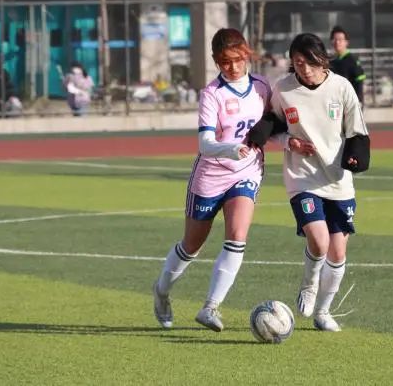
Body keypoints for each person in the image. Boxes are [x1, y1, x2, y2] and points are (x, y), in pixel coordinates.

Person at [152, 28, 271, 332]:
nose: (232, 67)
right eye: (225, 62)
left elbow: (272, 126)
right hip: (211, 175)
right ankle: (162, 290)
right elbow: (205, 144)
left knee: (237, 237)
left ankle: (210, 307)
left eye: (237, 59)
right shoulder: (212, 94)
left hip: (246, 172)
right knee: (192, 246)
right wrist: (231, 148)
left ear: (246, 54)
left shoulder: (262, 87)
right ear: (216, 62)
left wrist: (290, 142)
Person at [255, 33, 369, 332]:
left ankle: (323, 311)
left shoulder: (341, 86)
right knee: (318, 241)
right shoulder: (284, 88)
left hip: (337, 180)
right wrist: (289, 142)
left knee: (338, 252)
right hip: (302, 178)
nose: (304, 69)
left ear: (322, 60)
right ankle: (309, 284)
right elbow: (272, 125)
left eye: (309, 62)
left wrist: (357, 157)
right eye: (297, 63)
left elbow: (357, 130)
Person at [329, 26, 366, 106]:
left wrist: (358, 101)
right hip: (336, 103)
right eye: (334, 39)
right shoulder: (331, 61)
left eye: (340, 39)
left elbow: (359, 82)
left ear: (346, 42)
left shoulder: (352, 61)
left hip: (350, 103)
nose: (337, 42)